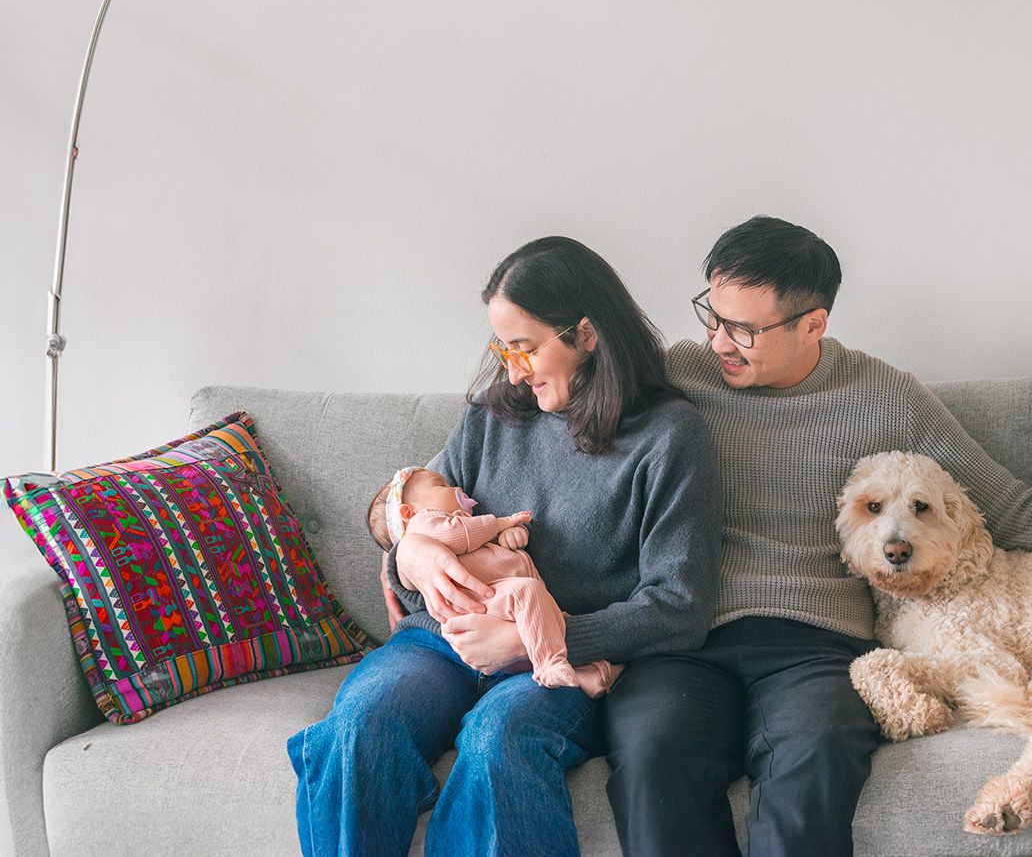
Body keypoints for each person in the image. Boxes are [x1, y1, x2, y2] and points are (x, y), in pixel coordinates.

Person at [602, 215, 1032, 857]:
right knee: (653, 753)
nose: (719, 341)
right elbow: (571, 436)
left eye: (744, 329)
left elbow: (1014, 507)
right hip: (686, 637)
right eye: (712, 315)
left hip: (817, 644)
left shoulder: (886, 395)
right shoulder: (677, 378)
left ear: (813, 325)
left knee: (816, 755)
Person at [288, 236, 722, 857]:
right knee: (358, 727)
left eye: (526, 347)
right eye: (504, 348)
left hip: (554, 660)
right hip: (441, 642)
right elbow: (406, 505)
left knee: (497, 741)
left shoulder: (670, 436)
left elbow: (681, 607)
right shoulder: (494, 415)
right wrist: (406, 551)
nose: (513, 368)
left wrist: (539, 640)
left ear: (587, 335)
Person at [368, 465, 621, 697]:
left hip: (499, 608)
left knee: (547, 622)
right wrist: (501, 522)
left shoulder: (462, 529)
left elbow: (483, 546)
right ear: (407, 512)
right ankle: (549, 664)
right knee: (529, 594)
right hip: (482, 603)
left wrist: (511, 535)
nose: (457, 488)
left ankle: (593, 675)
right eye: (442, 485)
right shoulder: (427, 524)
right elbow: (461, 533)